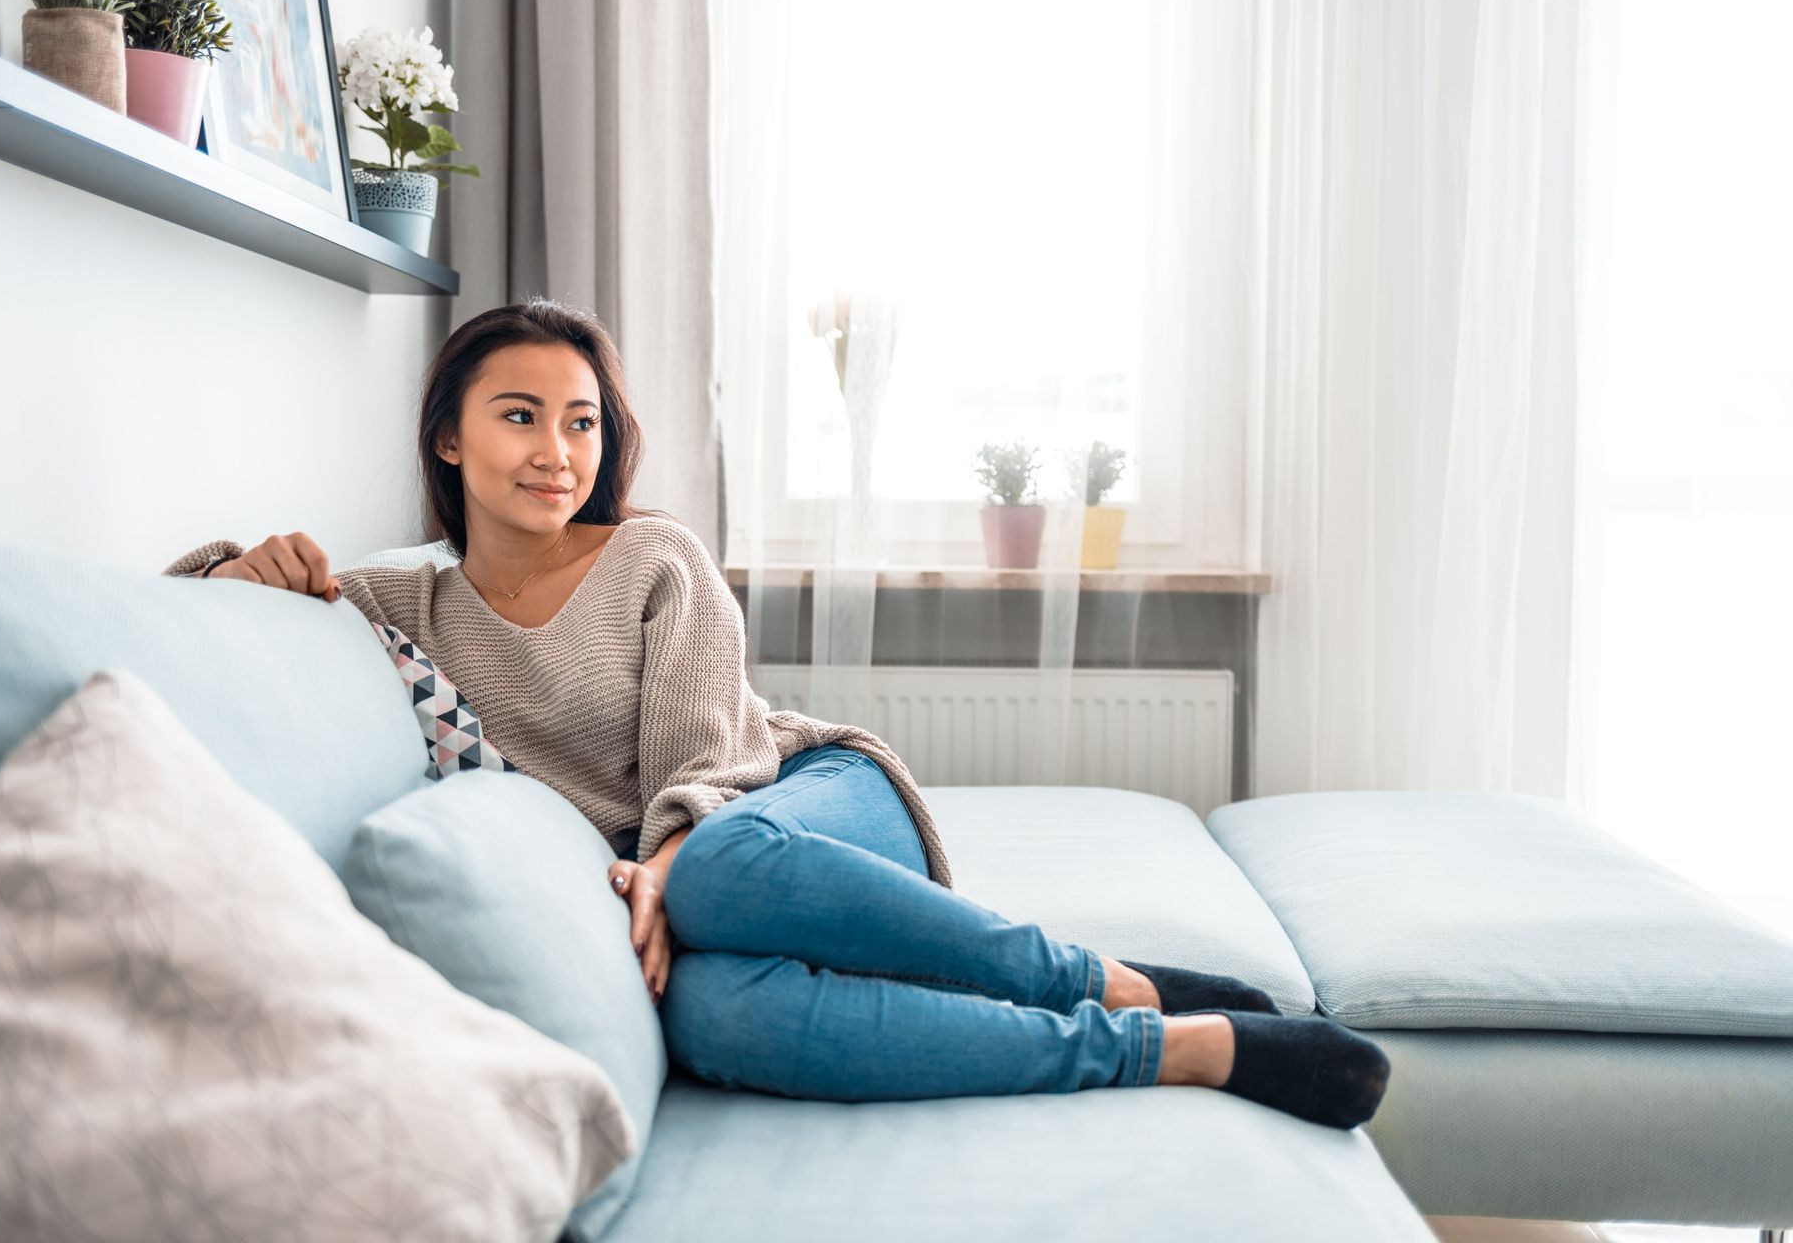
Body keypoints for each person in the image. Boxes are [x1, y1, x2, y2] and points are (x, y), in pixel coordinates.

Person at [163, 298, 1391, 1128]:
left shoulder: (655, 556)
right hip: (693, 886)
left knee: (717, 866)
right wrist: (236, 565)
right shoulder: (406, 601)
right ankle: (1165, 1046)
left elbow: (706, 764)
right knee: (712, 1015)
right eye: (521, 415)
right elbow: (191, 604)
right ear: (448, 435)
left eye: (581, 419)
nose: (558, 450)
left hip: (802, 806)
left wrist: (659, 869)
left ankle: (1101, 977)